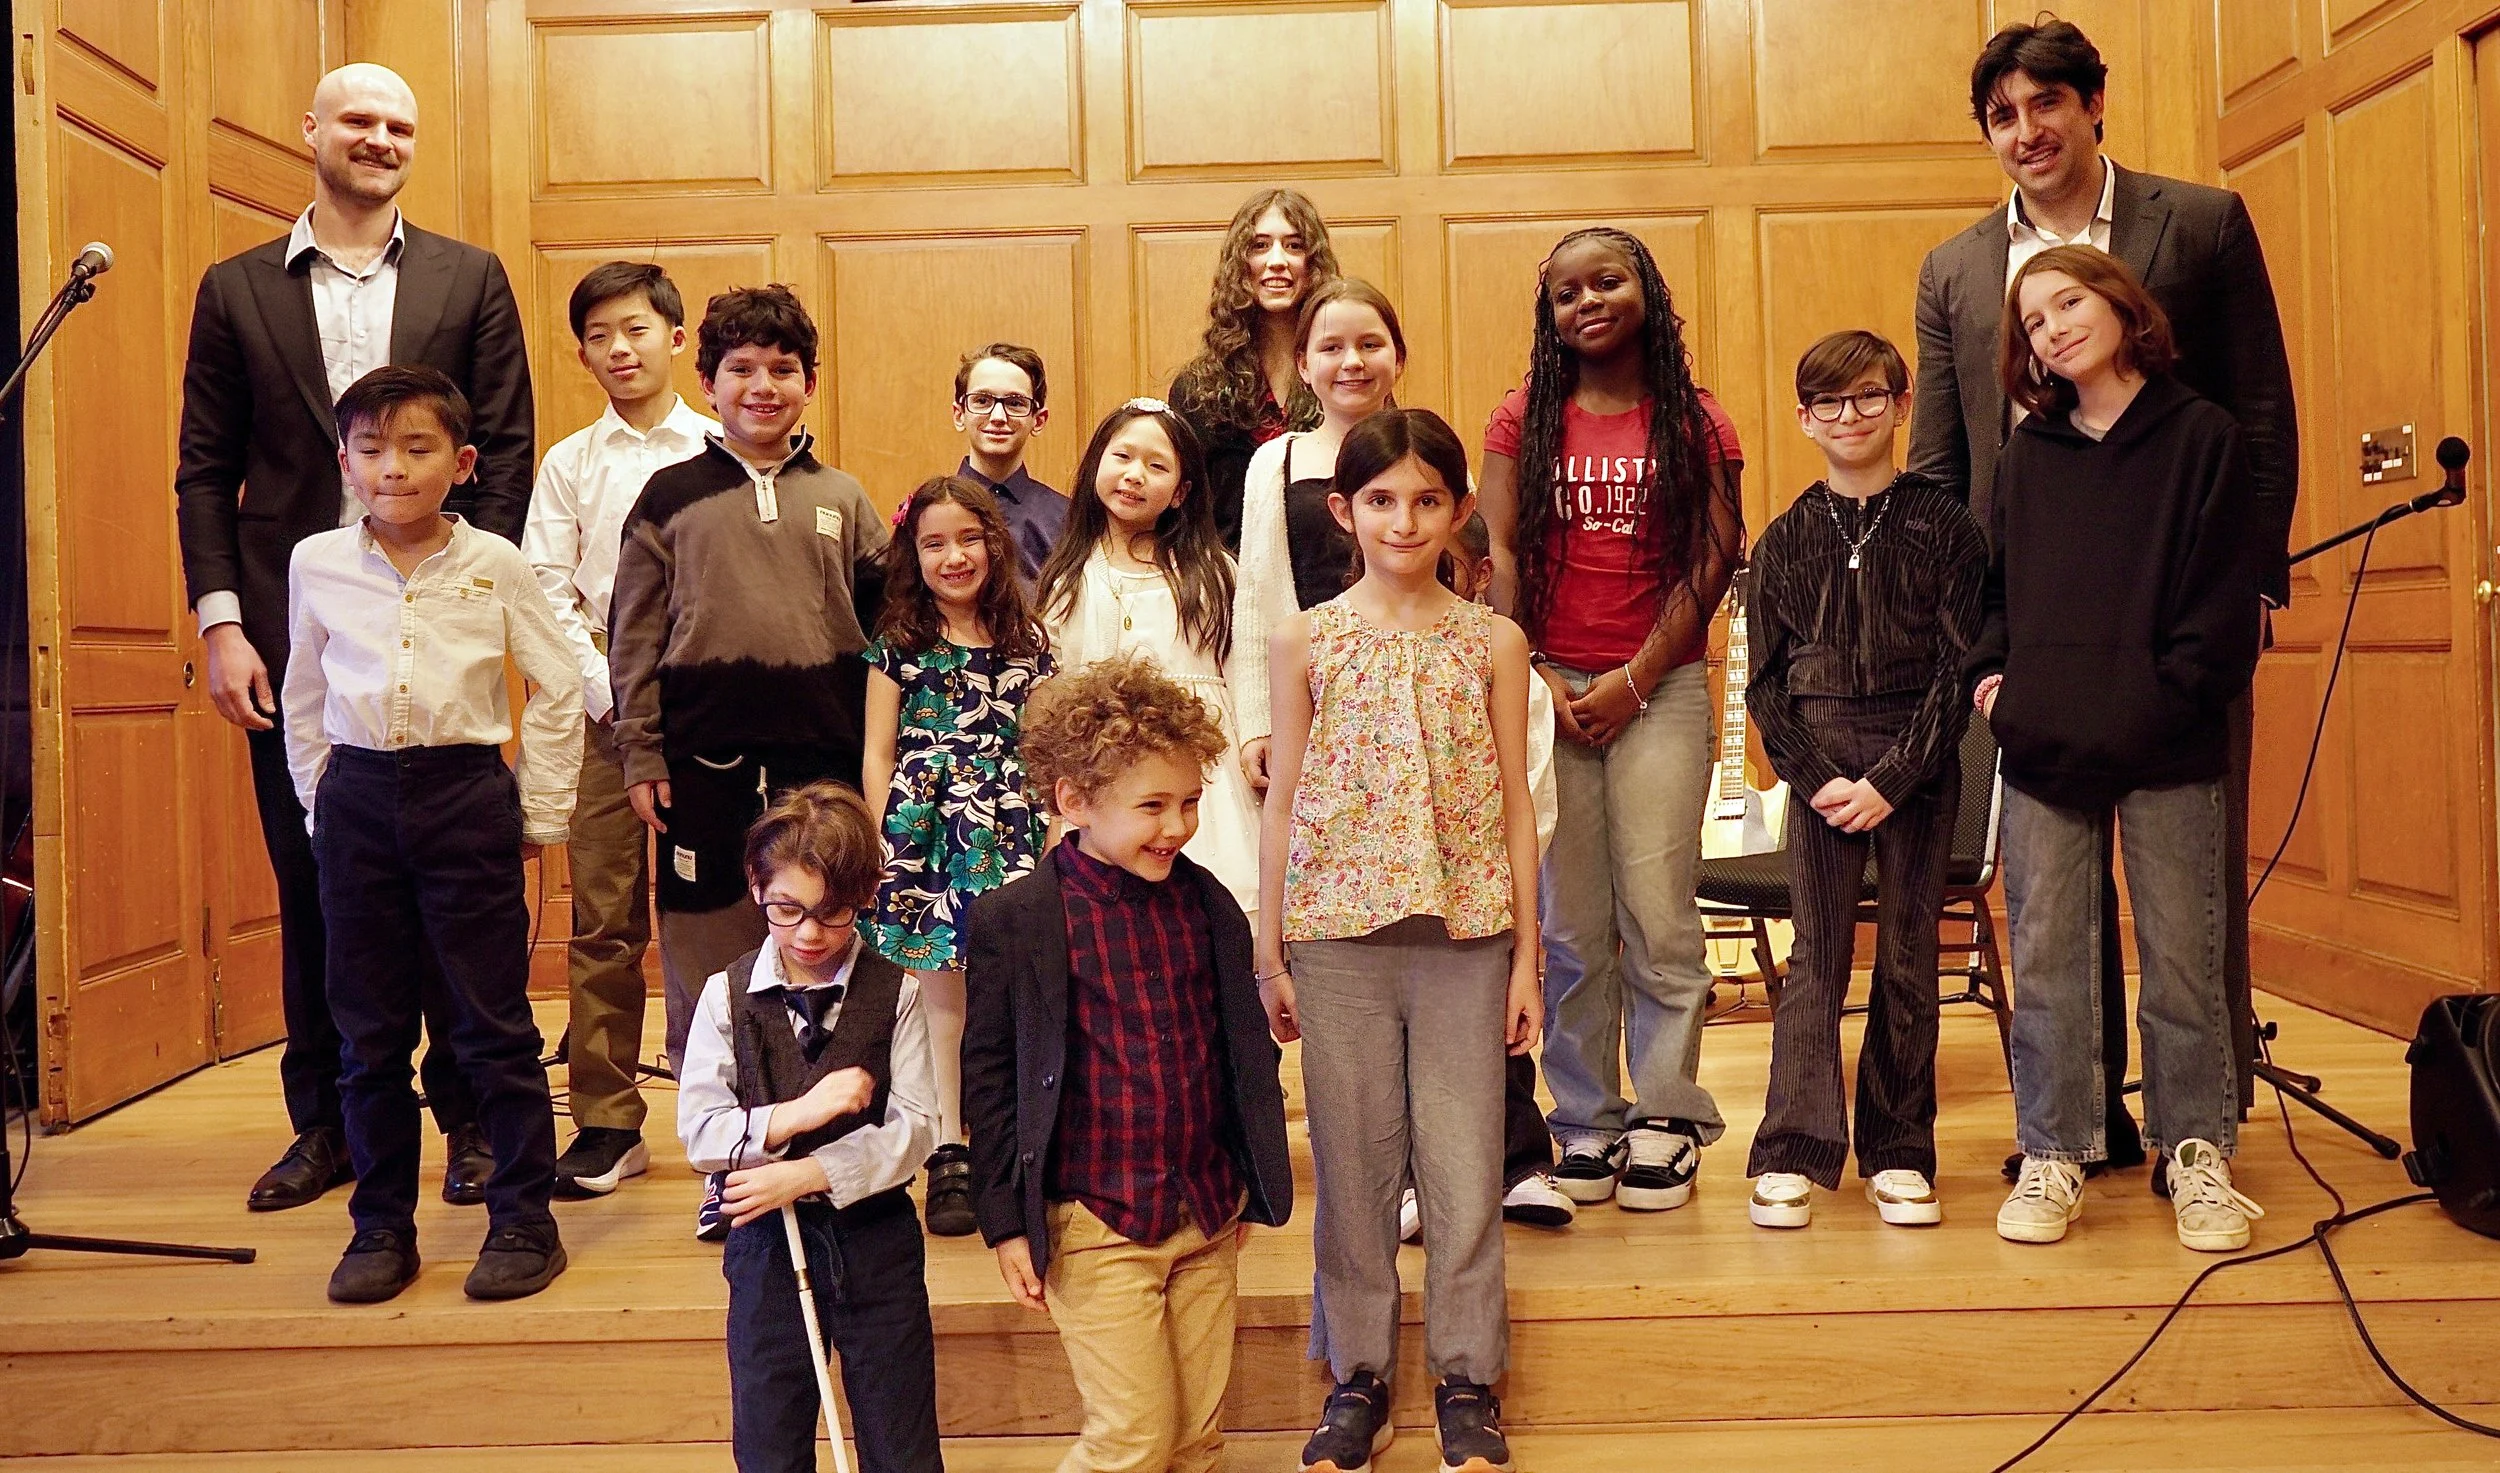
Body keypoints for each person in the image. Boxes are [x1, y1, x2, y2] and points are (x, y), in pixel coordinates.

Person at [1910, 17, 2298, 1166]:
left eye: (2044, 106)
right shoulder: (1956, 267)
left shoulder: (2204, 222)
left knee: (2191, 886)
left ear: (2092, 106)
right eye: (2002, 117)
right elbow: (1942, 468)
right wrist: (1972, 653)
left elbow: (2258, 416)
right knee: (2055, 898)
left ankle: (2201, 1126)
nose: (2025, 132)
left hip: (2180, 611)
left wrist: (2251, 591)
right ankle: (2081, 1129)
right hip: (2040, 628)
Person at [175, 62, 534, 1212]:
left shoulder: (469, 277)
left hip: (440, 632)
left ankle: (471, 1122)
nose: (380, 139)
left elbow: (508, 458)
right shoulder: (236, 290)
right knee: (316, 878)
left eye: (399, 126)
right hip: (296, 644)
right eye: (359, 121)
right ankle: (325, 1121)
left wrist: (485, 607)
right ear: (312, 132)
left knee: (450, 896)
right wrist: (224, 625)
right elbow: (204, 474)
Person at [1258, 409, 1540, 1473]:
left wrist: (1526, 958)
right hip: (1336, 939)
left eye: (1427, 500)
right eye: (1381, 499)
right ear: (1345, 510)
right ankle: (1359, 1375)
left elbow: (1516, 805)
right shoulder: (1307, 637)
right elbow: (1282, 800)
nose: (1404, 519)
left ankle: (1467, 1376)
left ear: (1457, 511)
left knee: (1465, 1167)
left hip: (1465, 937)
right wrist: (1269, 949)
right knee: (1357, 1159)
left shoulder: (1492, 643)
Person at [1970, 247, 2265, 1253]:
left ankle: (2196, 1152)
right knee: (2049, 959)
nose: (2053, 327)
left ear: (2118, 305)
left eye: (2068, 301)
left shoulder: (2203, 438)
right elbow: (1996, 593)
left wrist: (2165, 696)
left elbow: (2223, 606)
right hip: (2047, 742)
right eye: (2034, 320)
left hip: (2169, 743)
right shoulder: (2028, 455)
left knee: (2184, 959)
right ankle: (2054, 1150)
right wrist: (1995, 682)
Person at [280, 366, 580, 1304]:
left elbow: (559, 682)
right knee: (365, 1033)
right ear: (345, 461)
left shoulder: (496, 562)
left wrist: (538, 810)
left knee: (492, 1023)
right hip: (359, 799)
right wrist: (319, 801)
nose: (393, 469)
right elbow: (305, 693)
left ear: (462, 463)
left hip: (462, 795)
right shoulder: (315, 562)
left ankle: (525, 1218)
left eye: (416, 450)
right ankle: (380, 1225)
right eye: (371, 450)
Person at [962, 654, 1293, 1473]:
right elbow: (993, 1081)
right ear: (1074, 801)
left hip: (1205, 1211)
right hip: (1098, 1225)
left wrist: (1246, 1177)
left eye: (1188, 802)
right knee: (1133, 1438)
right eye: (1152, 806)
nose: (1176, 826)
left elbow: (1238, 1053)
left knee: (1193, 1440)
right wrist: (1005, 1220)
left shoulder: (1206, 899)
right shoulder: (1019, 918)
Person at [606, 283, 890, 1238]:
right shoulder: (669, 497)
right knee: (707, 959)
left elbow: (889, 638)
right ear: (709, 380)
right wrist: (642, 749)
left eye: (782, 370)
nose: (762, 386)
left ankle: (832, 1141)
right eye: (741, 370)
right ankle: (724, 1153)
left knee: (828, 946)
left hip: (823, 764)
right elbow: (632, 640)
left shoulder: (843, 499)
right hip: (702, 768)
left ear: (809, 382)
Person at [1477, 227, 1745, 1214]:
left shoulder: (1696, 419)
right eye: (1565, 292)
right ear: (1548, 315)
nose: (1587, 301)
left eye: (1607, 280)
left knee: (1659, 912)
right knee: (1569, 924)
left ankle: (1668, 1116)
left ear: (1644, 291)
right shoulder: (1519, 420)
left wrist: (1635, 677)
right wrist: (1534, 672)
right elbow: (1497, 551)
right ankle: (1584, 1117)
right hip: (1548, 686)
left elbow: (1714, 555)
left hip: (1660, 688)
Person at [1742, 330, 1988, 1230]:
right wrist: (1814, 779)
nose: (1851, 417)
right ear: (1805, 418)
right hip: (1816, 767)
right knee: (1815, 959)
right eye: (1830, 403)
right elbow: (1764, 683)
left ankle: (1899, 1149)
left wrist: (1889, 778)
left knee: (1911, 958)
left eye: (1869, 398)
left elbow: (1957, 673)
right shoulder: (1785, 538)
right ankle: (1793, 1150)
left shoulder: (1946, 528)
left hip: (1915, 768)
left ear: (1902, 401)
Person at [676, 782, 945, 1473]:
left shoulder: (898, 992)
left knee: (901, 1437)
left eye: (833, 912)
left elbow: (915, 1127)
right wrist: (801, 1113)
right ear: (755, 887)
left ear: (865, 895)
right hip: (766, 1247)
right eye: (785, 909)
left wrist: (812, 1170)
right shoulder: (724, 995)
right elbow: (703, 1133)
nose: (808, 934)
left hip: (876, 1241)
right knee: (770, 1438)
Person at [523, 260, 715, 1198]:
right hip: (606, 710)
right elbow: (544, 590)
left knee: (728, 912)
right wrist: (613, 692)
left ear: (676, 338)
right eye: (599, 336)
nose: (619, 349)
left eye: (636, 329)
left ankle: (736, 1107)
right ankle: (605, 1118)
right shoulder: (570, 462)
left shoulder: (725, 444)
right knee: (602, 919)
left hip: (715, 707)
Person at [860, 476, 1054, 1239]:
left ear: (993, 544)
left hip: (1008, 829)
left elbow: (1041, 750)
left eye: (968, 539)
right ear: (914, 553)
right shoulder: (896, 646)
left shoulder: (1028, 645)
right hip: (924, 832)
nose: (953, 555)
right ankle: (948, 1147)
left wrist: (1053, 831)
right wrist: (881, 838)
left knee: (1010, 990)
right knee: (941, 997)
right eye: (934, 542)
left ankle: (1011, 1138)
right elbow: (878, 753)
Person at [1032, 401, 1259, 920]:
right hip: (1107, 768)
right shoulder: (1069, 578)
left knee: (1214, 906)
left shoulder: (1214, 573)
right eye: (1123, 457)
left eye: (1156, 466)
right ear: (1096, 466)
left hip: (1204, 767)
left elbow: (1246, 670)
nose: (1134, 476)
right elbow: (1056, 690)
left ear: (1181, 492)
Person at [1232, 277, 1405, 792]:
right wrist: (1257, 721)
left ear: (1398, 358)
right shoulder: (1275, 460)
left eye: (1370, 344)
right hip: (1309, 695)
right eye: (1332, 348)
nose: (1352, 361)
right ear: (1304, 366)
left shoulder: (1429, 449)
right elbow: (1257, 597)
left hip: (1412, 685)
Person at [1167, 188, 1340, 549]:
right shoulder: (1197, 389)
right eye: (1260, 246)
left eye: (1294, 246)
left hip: (1330, 583)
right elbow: (1185, 513)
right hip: (1228, 584)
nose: (1277, 260)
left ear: (1313, 263)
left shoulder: (1348, 376)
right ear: (1240, 265)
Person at [950, 343, 1068, 587]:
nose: (998, 417)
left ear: (1038, 419)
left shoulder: (1067, 517)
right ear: (959, 414)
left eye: (1015, 403)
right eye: (982, 401)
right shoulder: (928, 513)